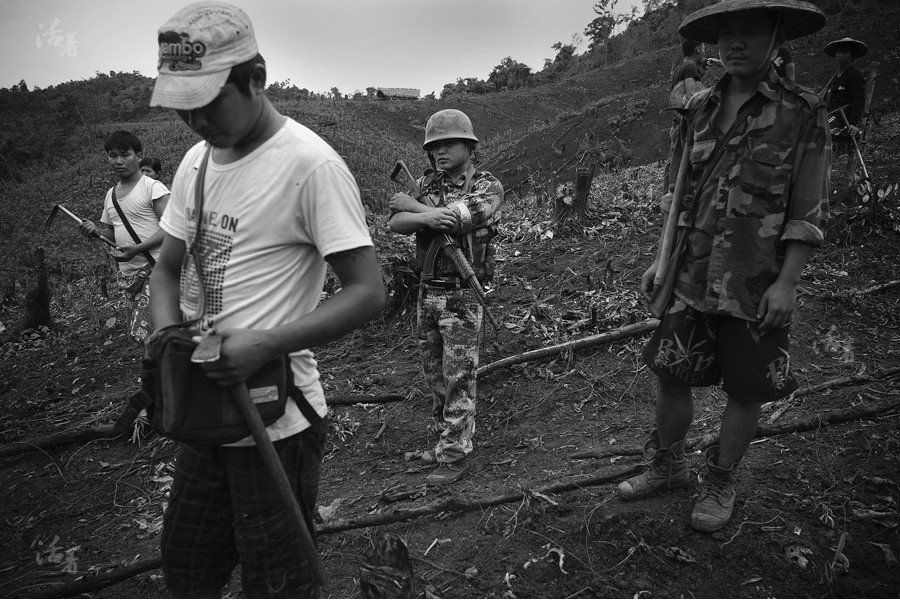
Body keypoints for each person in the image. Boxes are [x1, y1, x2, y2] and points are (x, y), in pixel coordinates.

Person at [147, 2, 385, 596]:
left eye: (209, 102)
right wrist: (169, 342)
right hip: (208, 411)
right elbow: (166, 272)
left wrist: (267, 343)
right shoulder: (196, 162)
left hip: (275, 417)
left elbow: (367, 291)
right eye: (184, 107)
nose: (196, 121)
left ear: (256, 79)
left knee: (278, 581)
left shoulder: (310, 166)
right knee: (186, 564)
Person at [618, 0, 829, 533]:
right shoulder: (699, 110)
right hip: (689, 272)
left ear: (776, 35)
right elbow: (679, 195)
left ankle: (721, 477)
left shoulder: (802, 112)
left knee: (748, 387)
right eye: (726, 33)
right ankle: (667, 464)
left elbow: (807, 210)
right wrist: (659, 262)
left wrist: (788, 283)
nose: (735, 43)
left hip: (755, 278)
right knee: (671, 375)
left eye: (750, 31)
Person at [388, 109, 503, 486]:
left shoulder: (487, 186)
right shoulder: (425, 182)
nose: (440, 152)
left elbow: (455, 219)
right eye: (434, 146)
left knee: (459, 375)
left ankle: (455, 454)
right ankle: (443, 441)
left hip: (462, 295)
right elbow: (395, 222)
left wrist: (416, 209)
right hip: (428, 291)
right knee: (434, 373)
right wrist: (422, 216)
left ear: (470, 147)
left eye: (448, 144)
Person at [79, 130, 170, 342]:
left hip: (157, 271)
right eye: (113, 156)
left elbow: (174, 227)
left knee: (149, 335)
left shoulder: (152, 188)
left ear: (138, 156)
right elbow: (111, 231)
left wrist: (139, 249)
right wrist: (95, 232)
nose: (119, 161)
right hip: (129, 277)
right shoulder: (110, 195)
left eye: (125, 154)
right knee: (146, 336)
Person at [822, 37, 867, 137]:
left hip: (841, 118)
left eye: (845, 53)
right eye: (839, 52)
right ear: (835, 55)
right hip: (830, 114)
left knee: (817, 127)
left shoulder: (854, 75)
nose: (841, 56)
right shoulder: (834, 77)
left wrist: (853, 123)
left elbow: (858, 99)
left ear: (851, 56)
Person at [669, 39, 707, 110]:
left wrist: (702, 71)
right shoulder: (690, 67)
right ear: (698, 50)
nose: (704, 53)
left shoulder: (682, 66)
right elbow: (691, 99)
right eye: (703, 49)